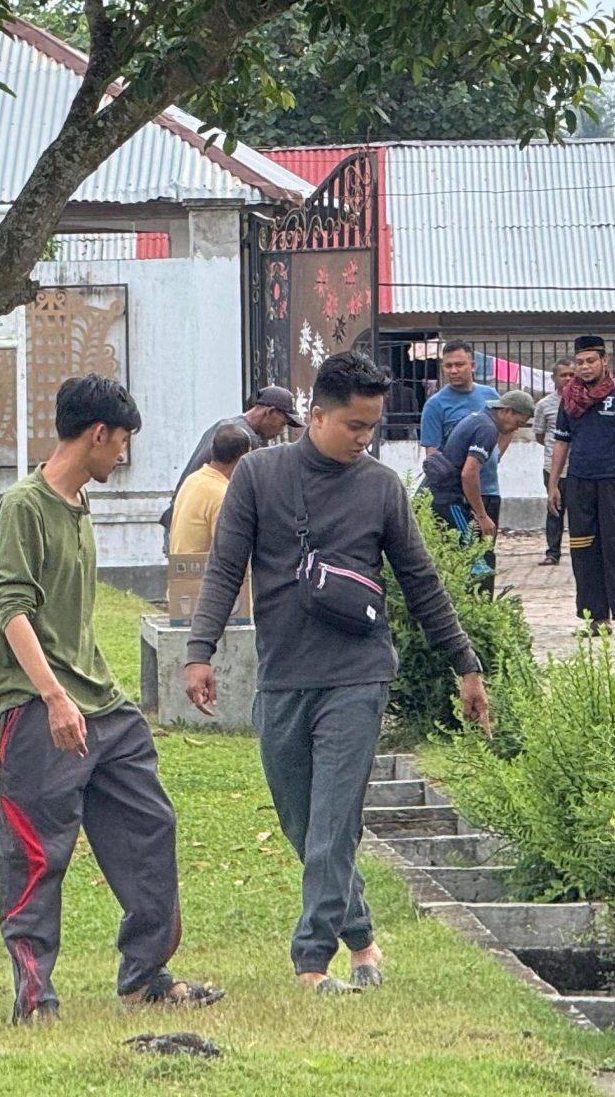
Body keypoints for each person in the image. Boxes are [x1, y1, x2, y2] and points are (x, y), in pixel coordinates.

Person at [183, 351, 492, 994]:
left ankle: (310, 964)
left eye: (373, 426)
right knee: (303, 825)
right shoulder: (257, 477)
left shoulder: (381, 486)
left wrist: (467, 664)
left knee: (332, 822)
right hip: (284, 675)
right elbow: (222, 570)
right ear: (316, 416)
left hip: (358, 673)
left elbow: (421, 582)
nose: (365, 438)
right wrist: (199, 651)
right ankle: (365, 942)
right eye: (355, 425)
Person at [0, 375, 220, 1023]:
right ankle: (35, 1000)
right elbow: (12, 609)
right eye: (121, 443)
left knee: (151, 826)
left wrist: (86, 692)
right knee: (37, 853)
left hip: (103, 705)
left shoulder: (79, 503)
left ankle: (143, 976)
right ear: (96, 435)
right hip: (40, 707)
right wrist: (55, 699)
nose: (123, 455)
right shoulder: (25, 505)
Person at [548, 335, 615, 635]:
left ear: (605, 361)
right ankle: (597, 618)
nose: (585, 367)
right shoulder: (570, 399)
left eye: (591, 361)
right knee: (583, 549)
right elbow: (561, 443)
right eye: (580, 362)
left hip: (613, 480)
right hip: (579, 483)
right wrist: (553, 485)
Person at [422, 390, 537, 596]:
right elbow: (469, 473)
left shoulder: (477, 418)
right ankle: (477, 607)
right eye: (518, 423)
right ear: (507, 411)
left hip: (441, 495)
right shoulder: (487, 428)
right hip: (447, 499)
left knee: (465, 552)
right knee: (476, 552)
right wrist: (482, 515)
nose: (515, 429)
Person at [161, 385, 299, 537]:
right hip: (205, 525)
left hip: (181, 518)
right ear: (270, 412)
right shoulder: (246, 440)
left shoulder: (224, 425)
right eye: (282, 423)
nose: (280, 430)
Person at [170, 421, 253, 560]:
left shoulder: (193, 480)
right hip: (205, 576)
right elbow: (230, 552)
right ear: (243, 457)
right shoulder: (222, 494)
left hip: (181, 574)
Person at [418, 340, 498, 459]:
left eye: (459, 365)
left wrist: (496, 456)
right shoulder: (434, 405)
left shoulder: (491, 395)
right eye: (448, 366)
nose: (453, 371)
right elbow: (432, 454)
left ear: (473, 366)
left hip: (488, 478)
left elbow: (509, 427)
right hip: (452, 476)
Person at [533, 358, 575, 566]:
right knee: (554, 509)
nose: (567, 378)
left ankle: (580, 550)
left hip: (578, 466)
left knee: (579, 511)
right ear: (554, 378)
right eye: (563, 375)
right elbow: (539, 435)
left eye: (571, 374)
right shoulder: (544, 405)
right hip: (553, 467)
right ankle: (553, 552)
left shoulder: (582, 401)